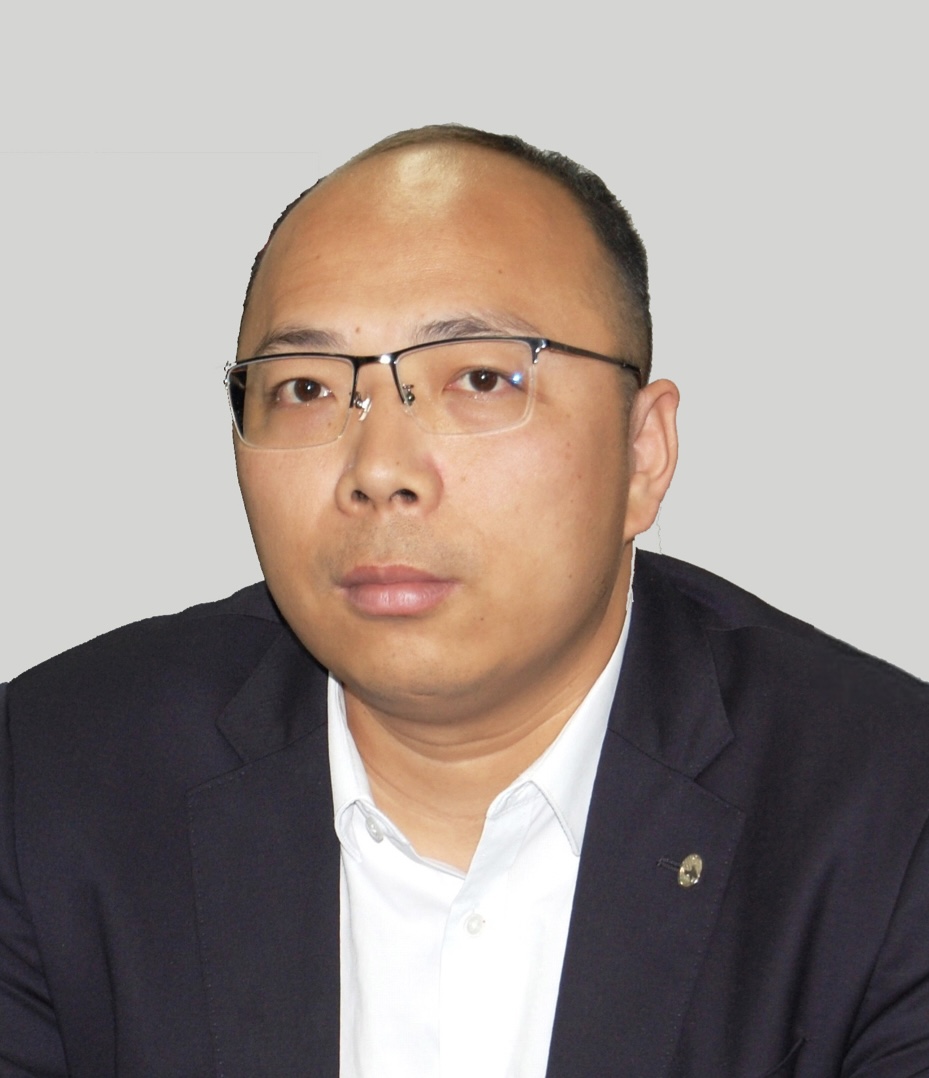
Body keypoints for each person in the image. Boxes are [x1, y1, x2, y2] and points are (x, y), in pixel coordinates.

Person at [1, 124, 927, 1077]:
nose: (379, 470)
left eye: (480, 379)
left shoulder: (887, 813)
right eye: (307, 389)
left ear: (642, 454)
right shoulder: (51, 781)